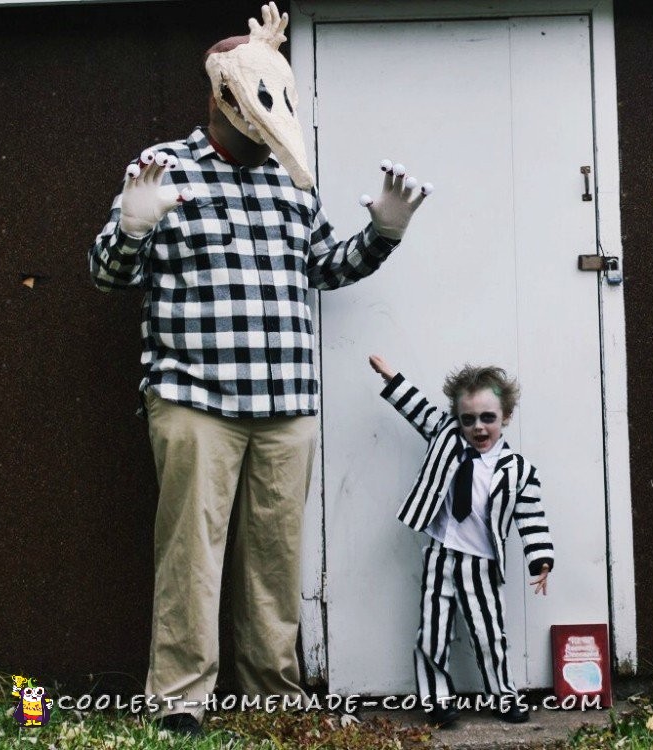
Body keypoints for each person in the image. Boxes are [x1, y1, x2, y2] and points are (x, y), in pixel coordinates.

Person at [88, 3, 431, 737]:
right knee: (191, 554)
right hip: (193, 398)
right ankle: (180, 699)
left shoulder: (288, 180)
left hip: (286, 404)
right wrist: (129, 227)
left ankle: (271, 695)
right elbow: (107, 277)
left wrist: (384, 234)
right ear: (219, 97)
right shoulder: (163, 166)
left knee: (274, 562)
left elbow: (324, 267)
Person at [367, 354, 554, 728]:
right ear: (457, 419)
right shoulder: (447, 437)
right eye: (468, 419)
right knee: (432, 633)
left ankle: (503, 696)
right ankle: (437, 700)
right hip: (441, 556)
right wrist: (391, 377)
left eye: (488, 418)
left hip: (482, 565)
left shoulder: (518, 470)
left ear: (506, 418)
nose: (478, 427)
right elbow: (418, 409)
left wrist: (541, 559)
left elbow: (531, 517)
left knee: (489, 635)